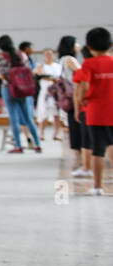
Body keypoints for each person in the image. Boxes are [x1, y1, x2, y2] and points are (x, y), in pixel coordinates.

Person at [72, 26, 112, 196]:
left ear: (89, 47)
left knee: (98, 150)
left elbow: (84, 85)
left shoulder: (88, 64)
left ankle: (97, 187)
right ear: (110, 44)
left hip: (96, 113)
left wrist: (80, 102)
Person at [0, 35, 41, 153]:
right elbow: (29, 71)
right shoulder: (22, 55)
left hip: (9, 89)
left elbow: (1, 75)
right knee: (28, 118)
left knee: (14, 118)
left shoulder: (1, 58)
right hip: (24, 89)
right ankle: (37, 144)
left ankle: (18, 146)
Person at [55, 35, 86, 173]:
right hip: (76, 95)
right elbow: (82, 75)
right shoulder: (70, 59)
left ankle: (77, 158)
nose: (78, 46)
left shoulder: (61, 60)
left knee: (73, 127)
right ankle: (80, 160)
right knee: (79, 127)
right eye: (76, 43)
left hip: (67, 97)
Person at [33, 48, 63, 141]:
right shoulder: (40, 66)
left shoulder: (58, 66)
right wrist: (52, 78)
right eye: (46, 54)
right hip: (45, 91)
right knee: (43, 112)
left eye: (50, 54)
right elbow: (37, 75)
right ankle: (41, 133)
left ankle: (56, 133)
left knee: (56, 113)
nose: (49, 56)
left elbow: (61, 77)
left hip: (56, 92)